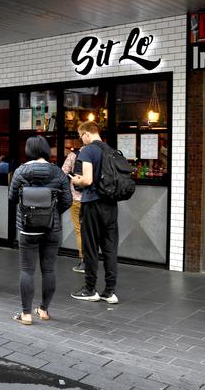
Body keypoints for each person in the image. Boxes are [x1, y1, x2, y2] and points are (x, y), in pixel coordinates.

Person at [9, 136, 72, 324]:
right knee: (49, 270)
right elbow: (67, 200)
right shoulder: (58, 173)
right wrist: (51, 214)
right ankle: (43, 310)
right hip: (52, 229)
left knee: (27, 271)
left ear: (29, 151)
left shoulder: (21, 171)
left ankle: (26, 314)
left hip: (28, 229)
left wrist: (29, 212)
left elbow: (12, 197)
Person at [70, 121, 119, 304]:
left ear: (86, 134)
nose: (81, 140)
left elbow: (88, 180)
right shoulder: (110, 150)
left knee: (91, 247)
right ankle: (110, 292)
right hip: (111, 206)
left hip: (92, 204)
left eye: (81, 136)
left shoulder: (88, 150)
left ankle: (90, 288)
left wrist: (76, 181)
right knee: (110, 249)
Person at [62, 143, 85, 273]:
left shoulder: (73, 155)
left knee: (79, 230)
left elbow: (62, 173)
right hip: (93, 200)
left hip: (77, 199)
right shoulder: (98, 154)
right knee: (93, 230)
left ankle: (84, 261)